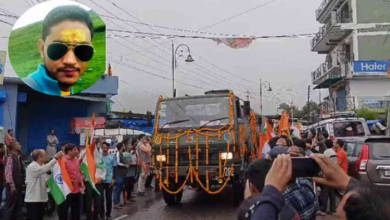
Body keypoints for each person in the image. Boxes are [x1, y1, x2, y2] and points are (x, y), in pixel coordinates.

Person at [22, 5, 95, 96]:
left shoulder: (68, 92)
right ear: (42, 49)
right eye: (58, 49)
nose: (70, 61)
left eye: (82, 50)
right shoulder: (26, 91)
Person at [25, 150, 63, 220]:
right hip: (33, 200)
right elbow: (44, 169)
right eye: (45, 155)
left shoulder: (41, 166)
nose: (47, 156)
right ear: (39, 157)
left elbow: (44, 180)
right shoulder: (32, 166)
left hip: (41, 199)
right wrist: (55, 158)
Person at [57, 143, 85, 220]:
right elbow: (60, 174)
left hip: (77, 190)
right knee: (64, 211)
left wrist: (81, 183)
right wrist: (68, 181)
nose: (77, 151)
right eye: (75, 150)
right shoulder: (63, 160)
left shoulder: (76, 159)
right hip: (67, 191)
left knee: (76, 211)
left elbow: (78, 173)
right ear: (69, 151)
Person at [79, 142, 106, 220]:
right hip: (89, 183)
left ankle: (96, 217)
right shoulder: (85, 160)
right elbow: (82, 171)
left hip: (98, 184)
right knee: (88, 203)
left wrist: (101, 178)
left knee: (98, 202)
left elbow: (104, 170)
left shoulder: (100, 161)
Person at [3, 142, 25, 220]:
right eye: (18, 145)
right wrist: (12, 186)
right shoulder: (10, 157)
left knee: (18, 205)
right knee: (10, 205)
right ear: (14, 147)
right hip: (12, 185)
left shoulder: (18, 157)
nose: (20, 146)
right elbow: (8, 173)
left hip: (18, 184)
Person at [317, 139, 337, 216]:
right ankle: (333, 210)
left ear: (325, 144)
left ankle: (323, 210)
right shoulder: (333, 152)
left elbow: (323, 163)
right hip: (333, 174)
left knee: (324, 193)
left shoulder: (326, 152)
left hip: (326, 174)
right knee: (332, 193)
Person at [101, 142, 116, 220]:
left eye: (106, 148)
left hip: (109, 180)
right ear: (101, 147)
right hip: (100, 181)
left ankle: (108, 214)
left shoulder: (112, 157)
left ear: (109, 148)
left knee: (108, 198)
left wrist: (113, 178)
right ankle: (102, 214)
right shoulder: (98, 157)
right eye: (103, 147)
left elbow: (115, 168)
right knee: (100, 199)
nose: (105, 149)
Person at [113, 142, 129, 209]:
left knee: (119, 189)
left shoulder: (121, 153)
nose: (124, 147)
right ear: (121, 147)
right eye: (123, 146)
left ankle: (118, 202)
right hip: (118, 174)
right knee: (117, 189)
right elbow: (118, 162)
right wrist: (124, 165)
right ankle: (116, 203)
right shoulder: (117, 153)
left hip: (122, 174)